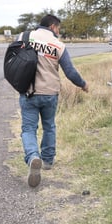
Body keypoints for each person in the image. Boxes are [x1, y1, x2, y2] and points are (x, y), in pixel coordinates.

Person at [18, 14, 89, 188]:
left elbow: (13, 60)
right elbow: (70, 72)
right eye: (58, 28)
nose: (59, 32)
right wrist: (83, 84)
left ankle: (33, 157)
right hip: (50, 93)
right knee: (49, 125)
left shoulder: (24, 37)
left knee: (28, 129)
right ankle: (48, 161)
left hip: (29, 92)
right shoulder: (58, 45)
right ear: (52, 27)